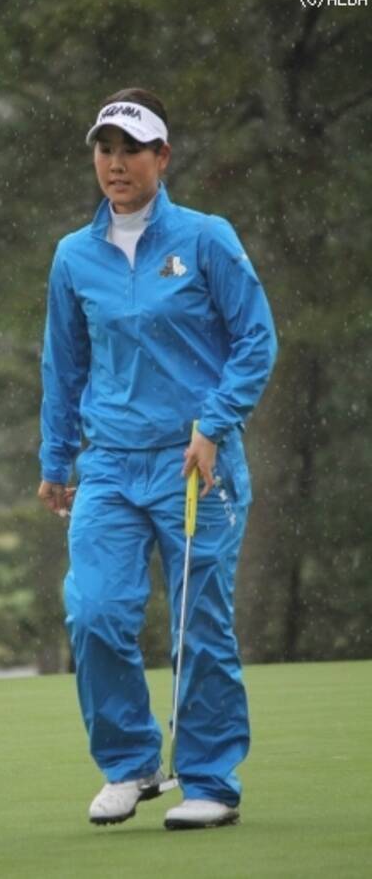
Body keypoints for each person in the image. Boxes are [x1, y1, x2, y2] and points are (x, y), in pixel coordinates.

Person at [37, 88, 277, 830]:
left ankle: (210, 780)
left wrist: (215, 422)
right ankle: (132, 764)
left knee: (197, 625)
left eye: (131, 150)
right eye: (105, 150)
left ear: (162, 156)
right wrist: (56, 458)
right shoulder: (74, 256)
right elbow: (63, 365)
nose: (116, 164)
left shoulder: (206, 239)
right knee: (93, 610)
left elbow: (256, 339)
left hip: (195, 462)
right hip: (110, 463)